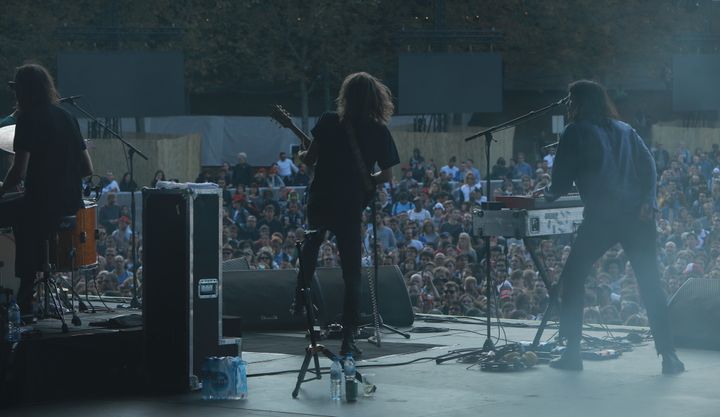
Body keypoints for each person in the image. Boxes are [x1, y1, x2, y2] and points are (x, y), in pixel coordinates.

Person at [540, 80, 684, 375]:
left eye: (570, 99)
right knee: (650, 282)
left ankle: (572, 352)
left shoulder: (574, 131)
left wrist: (545, 194)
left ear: (579, 102)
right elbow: (649, 165)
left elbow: (560, 184)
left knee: (574, 276)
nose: (568, 105)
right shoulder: (626, 130)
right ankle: (669, 356)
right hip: (638, 218)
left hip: (603, 219)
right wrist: (648, 200)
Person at [297, 72, 399, 357]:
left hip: (321, 198)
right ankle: (348, 340)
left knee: (312, 244)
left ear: (345, 95)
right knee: (351, 272)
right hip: (350, 204)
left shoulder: (329, 120)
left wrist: (300, 155)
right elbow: (387, 175)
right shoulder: (379, 130)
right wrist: (364, 177)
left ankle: (300, 295)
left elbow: (310, 160)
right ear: (376, 98)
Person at [0, 63, 94, 315]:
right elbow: (88, 168)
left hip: (42, 204)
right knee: (26, 218)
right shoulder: (68, 117)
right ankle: (27, 292)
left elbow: (18, 172)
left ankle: (24, 295)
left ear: (23, 91)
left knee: (19, 218)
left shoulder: (28, 119)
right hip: (71, 204)